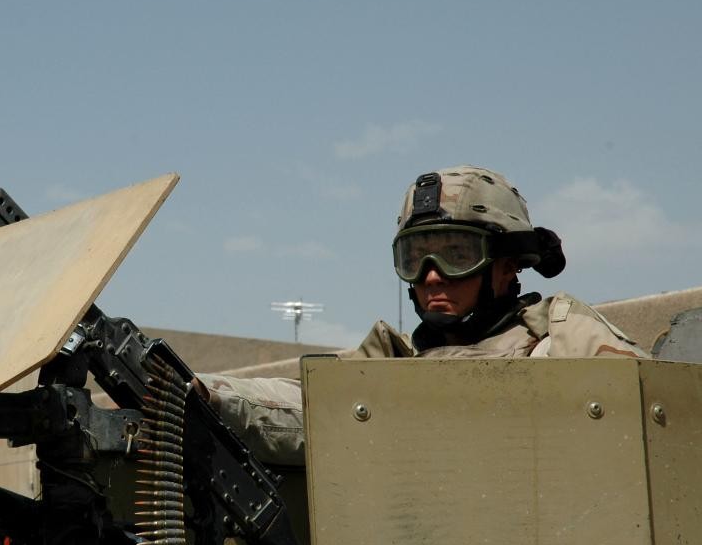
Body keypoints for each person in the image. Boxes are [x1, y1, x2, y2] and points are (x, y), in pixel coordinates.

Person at [196, 165, 647, 465]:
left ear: (508, 265)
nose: (431, 276)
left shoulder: (560, 344)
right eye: (416, 258)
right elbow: (306, 406)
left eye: (457, 254)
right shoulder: (388, 366)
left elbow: (656, 424)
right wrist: (201, 392)